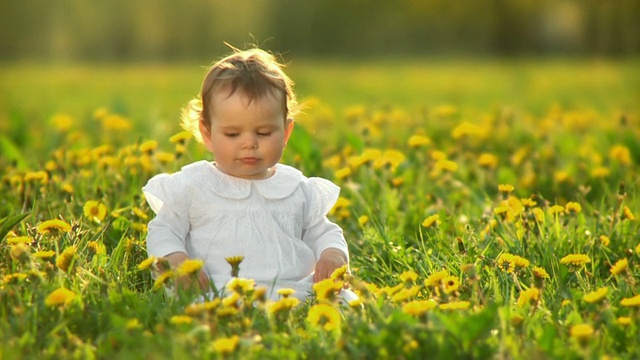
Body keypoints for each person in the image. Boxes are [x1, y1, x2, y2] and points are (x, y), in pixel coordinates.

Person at [142, 46, 356, 302]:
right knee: (196, 307)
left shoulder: (297, 188)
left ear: (286, 133)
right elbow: (164, 229)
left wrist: (332, 254)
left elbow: (323, 231)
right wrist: (175, 259)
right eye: (233, 134)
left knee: (346, 301)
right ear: (208, 133)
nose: (249, 143)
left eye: (263, 133)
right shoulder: (194, 185)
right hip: (217, 290)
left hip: (293, 291)